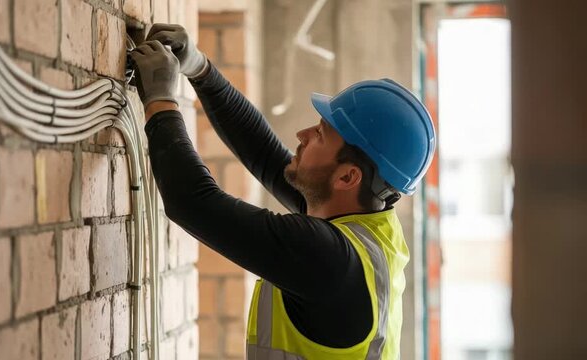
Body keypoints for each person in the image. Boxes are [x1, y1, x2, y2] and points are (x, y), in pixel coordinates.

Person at [130, 23, 435, 360]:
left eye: (320, 134)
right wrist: (199, 68)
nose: (302, 134)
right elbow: (265, 156)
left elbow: (194, 203)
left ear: (348, 177)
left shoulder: (328, 259)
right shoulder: (365, 225)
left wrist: (160, 101)